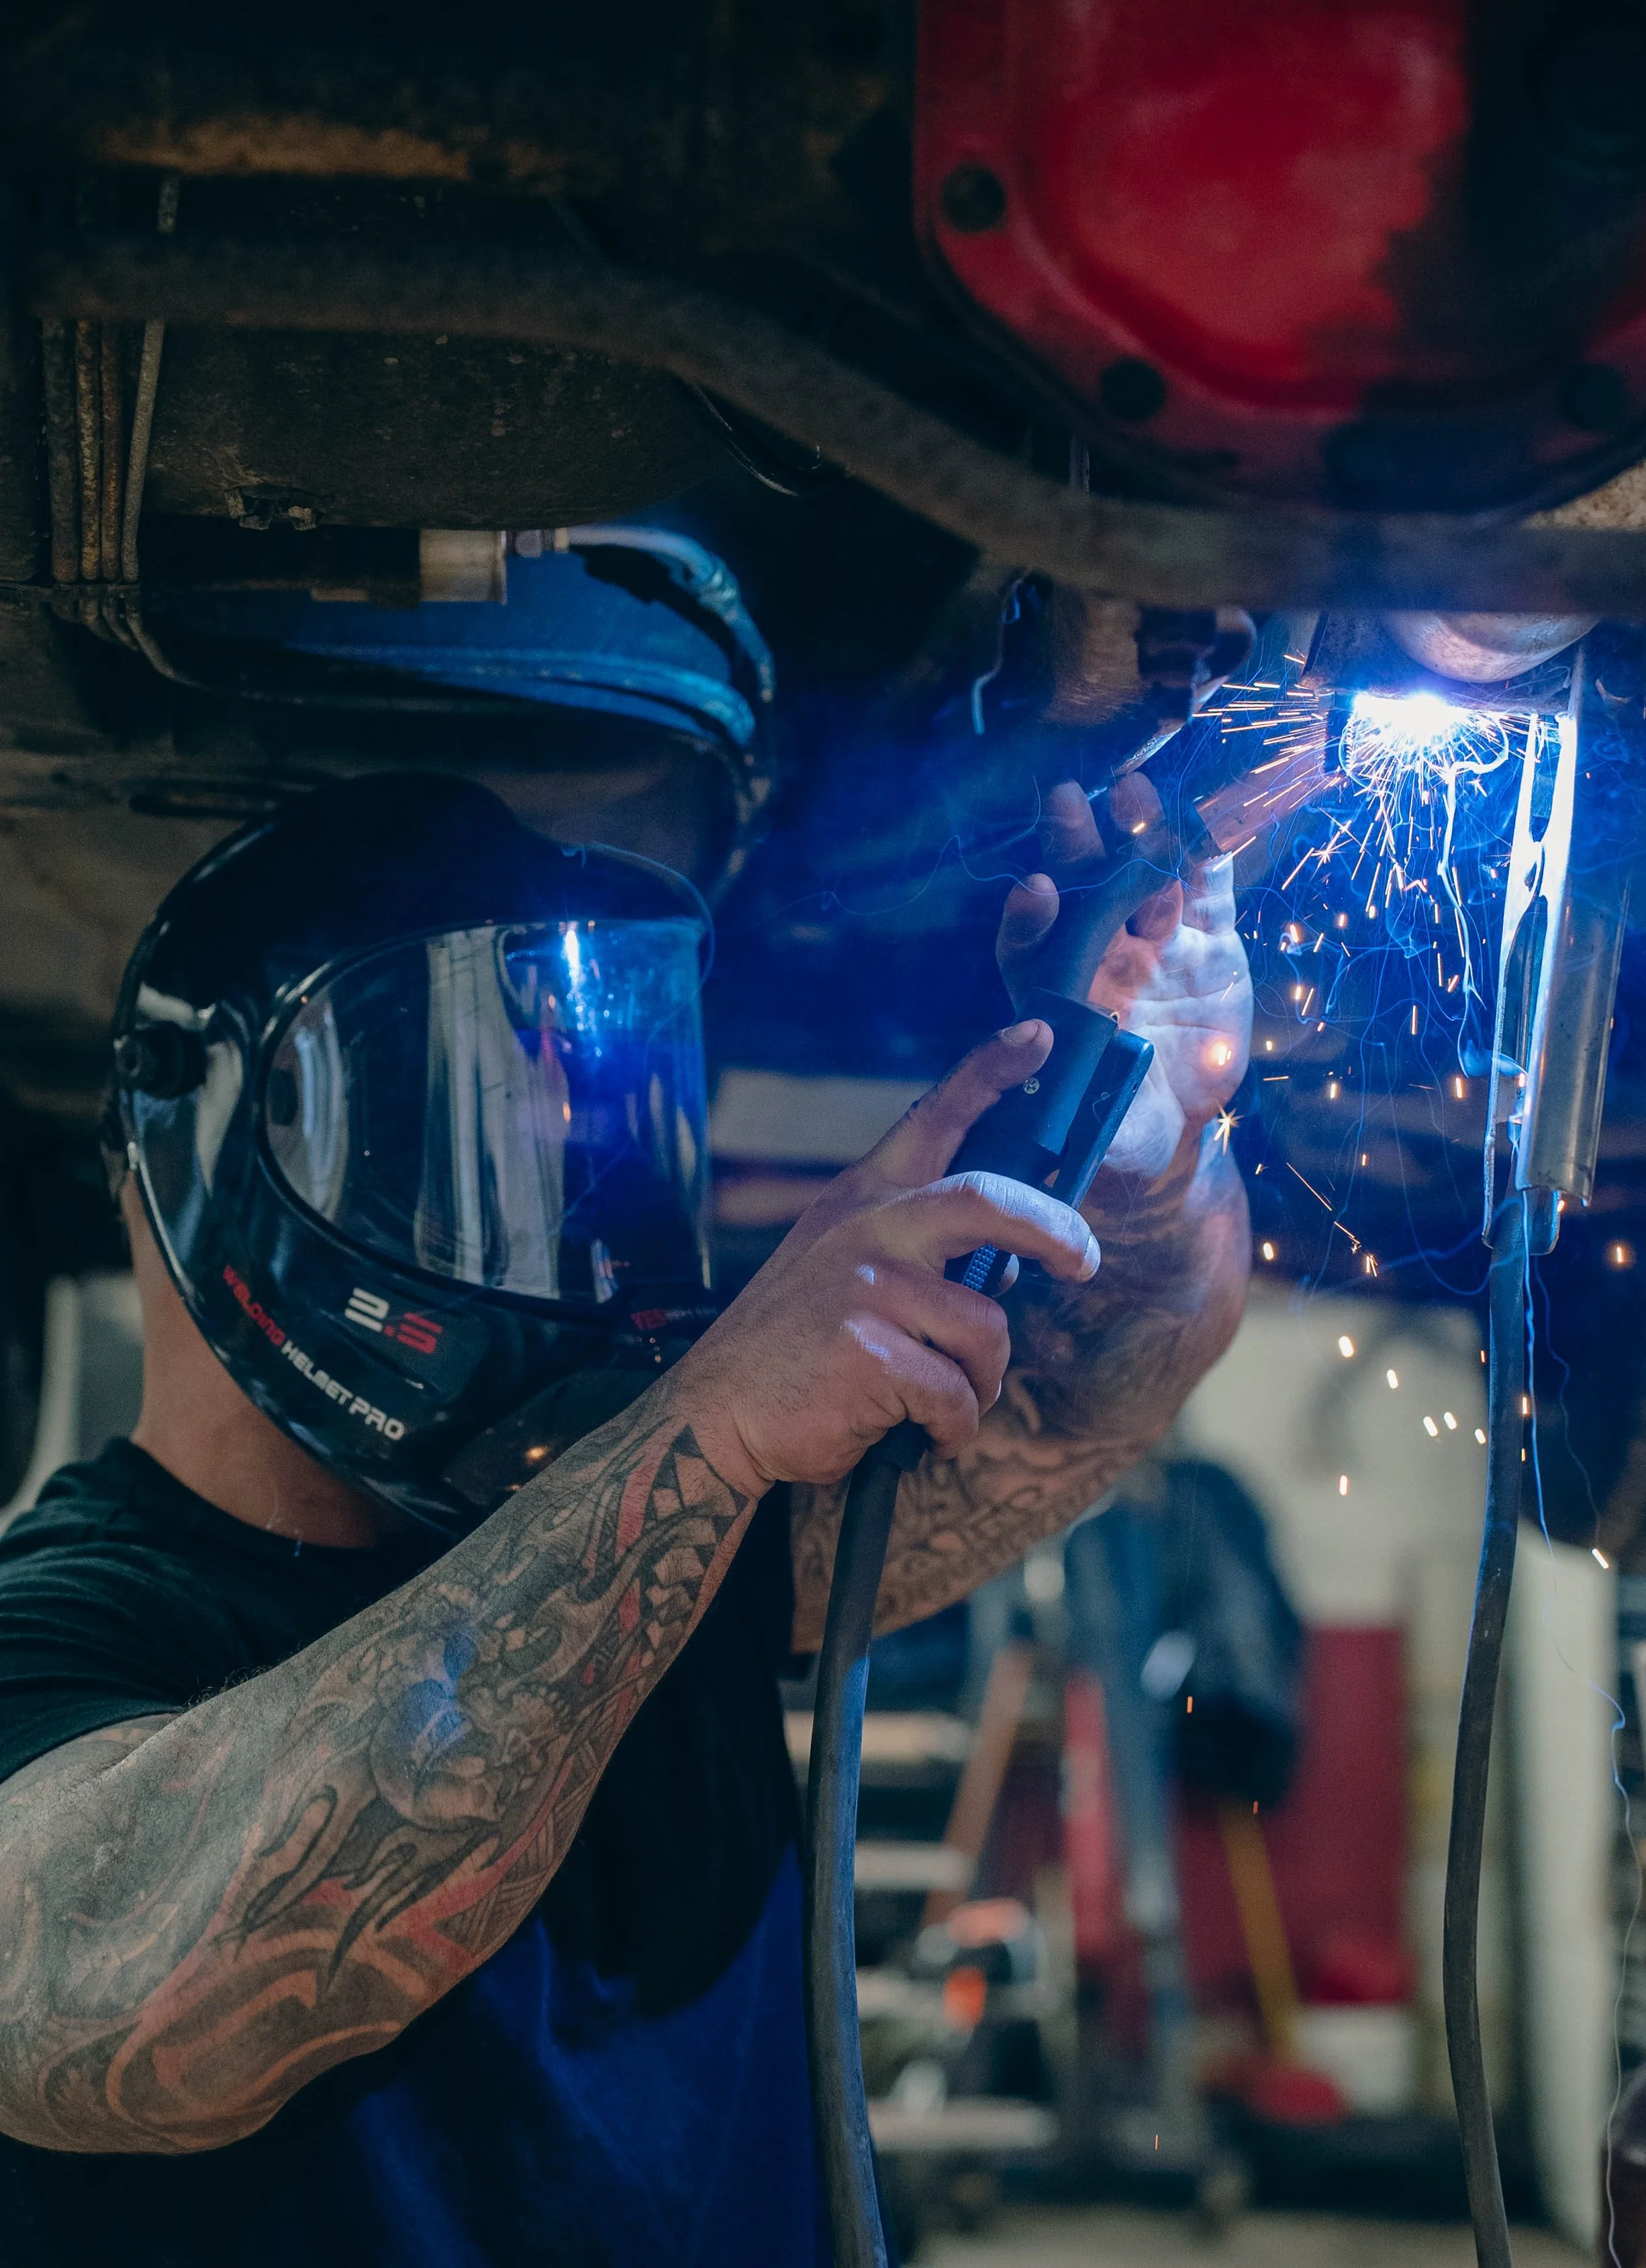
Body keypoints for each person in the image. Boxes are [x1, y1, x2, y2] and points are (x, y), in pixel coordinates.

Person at [0, 765, 1251, 2268]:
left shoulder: (669, 1540)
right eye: (465, 1135)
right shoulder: (59, 1628)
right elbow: (124, 2000)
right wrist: (704, 1428)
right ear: (215, 1151)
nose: (558, 1193)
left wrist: (1151, 1161)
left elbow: (1079, 1404)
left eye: (574, 1129)